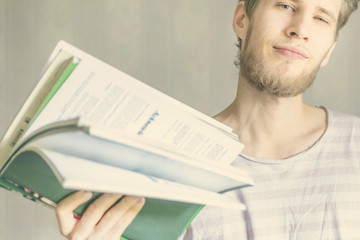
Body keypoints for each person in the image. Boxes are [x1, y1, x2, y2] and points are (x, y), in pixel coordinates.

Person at [55, 0, 360, 239]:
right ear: (242, 19)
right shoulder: (167, 164)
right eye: (285, 5)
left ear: (329, 49)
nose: (300, 29)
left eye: (321, 17)